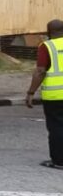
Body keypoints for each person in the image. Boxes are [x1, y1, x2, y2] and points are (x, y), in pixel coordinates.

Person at [25, 19, 63, 170]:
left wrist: (30, 92)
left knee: (56, 127)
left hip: (55, 96)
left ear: (49, 32)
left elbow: (40, 71)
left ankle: (59, 161)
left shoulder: (46, 46)